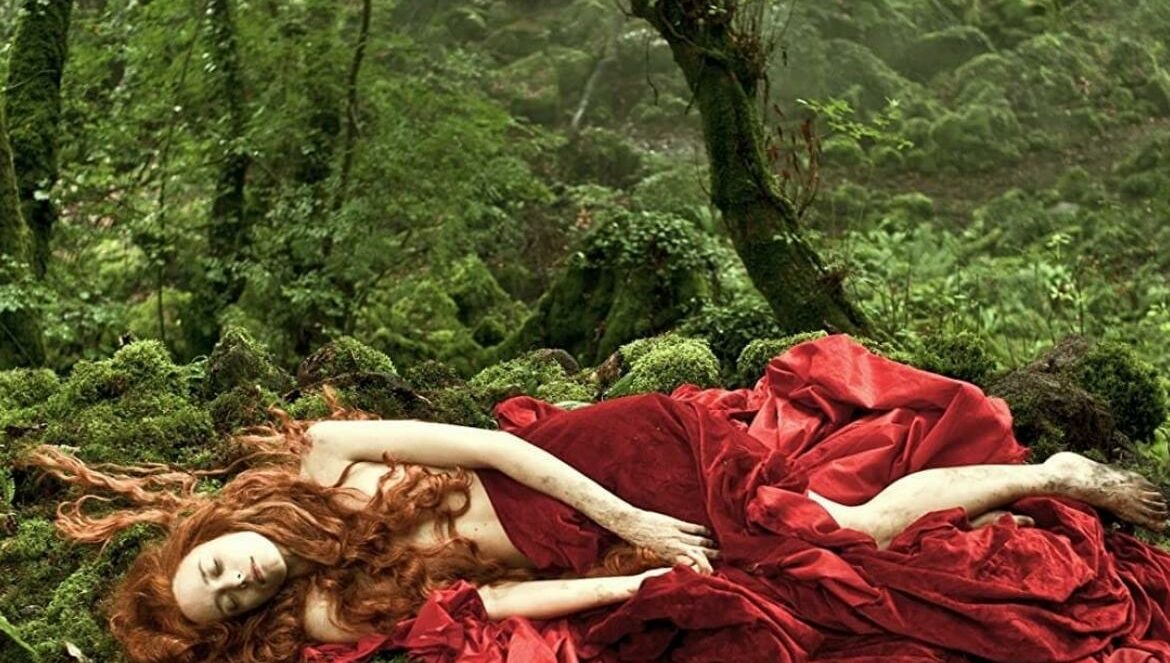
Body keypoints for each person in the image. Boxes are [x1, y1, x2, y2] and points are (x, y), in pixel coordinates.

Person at [24, 335, 1170, 663]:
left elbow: (496, 446)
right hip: (586, 541)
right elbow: (492, 605)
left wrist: (628, 520)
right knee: (826, 565)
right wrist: (630, 582)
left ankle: (1053, 476)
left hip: (608, 460)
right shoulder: (326, 610)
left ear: (215, 530)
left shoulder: (322, 452)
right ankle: (1028, 492)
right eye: (231, 603)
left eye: (217, 567)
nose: (242, 579)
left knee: (839, 534)